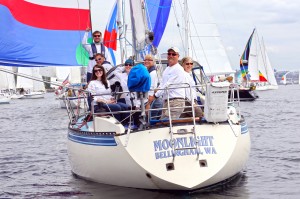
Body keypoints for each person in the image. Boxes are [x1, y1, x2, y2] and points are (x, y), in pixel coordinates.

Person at [151, 47, 187, 119]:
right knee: (162, 123)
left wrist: (155, 96)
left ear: (178, 56)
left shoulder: (178, 69)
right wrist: (157, 90)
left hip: (176, 102)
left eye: (173, 54)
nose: (171, 56)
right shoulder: (167, 69)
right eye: (169, 54)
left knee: (165, 123)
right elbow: (162, 83)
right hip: (167, 102)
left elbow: (168, 86)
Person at [143, 54, 162, 120]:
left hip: (153, 101)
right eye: (145, 60)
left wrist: (148, 104)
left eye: (149, 60)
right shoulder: (149, 72)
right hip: (154, 100)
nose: (146, 61)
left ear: (153, 62)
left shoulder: (152, 73)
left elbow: (151, 89)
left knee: (151, 120)